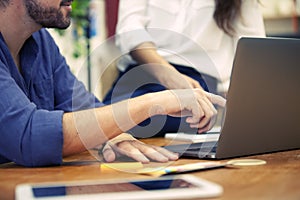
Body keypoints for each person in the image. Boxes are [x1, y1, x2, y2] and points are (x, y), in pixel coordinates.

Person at [0, 0, 225, 167]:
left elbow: (85, 106)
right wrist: (157, 100)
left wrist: (115, 135)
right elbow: (28, 134)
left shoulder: (42, 42)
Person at [103, 0, 265, 137]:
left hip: (196, 83)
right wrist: (168, 75)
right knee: (99, 121)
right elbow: (129, 29)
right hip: (141, 70)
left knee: (116, 125)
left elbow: (253, 50)